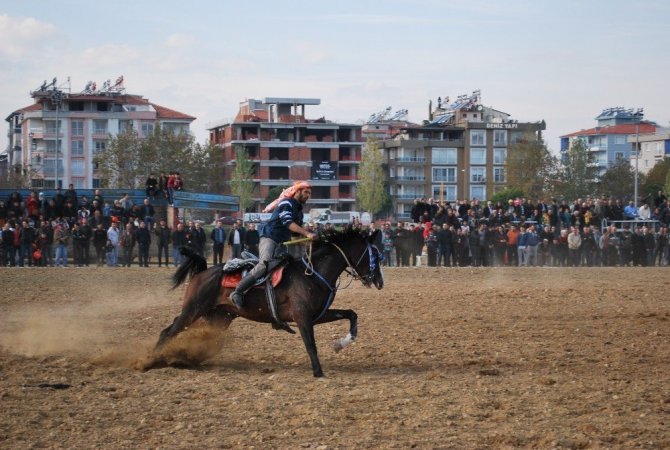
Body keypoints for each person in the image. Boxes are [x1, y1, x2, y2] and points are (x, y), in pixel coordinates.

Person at [229, 181, 316, 308]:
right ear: (297, 191)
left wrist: (308, 240)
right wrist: (307, 233)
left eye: (309, 193)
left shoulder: (299, 211)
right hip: (269, 238)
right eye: (306, 192)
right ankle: (238, 291)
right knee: (264, 264)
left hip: (282, 242)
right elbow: (288, 223)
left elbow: (295, 234)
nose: (308, 195)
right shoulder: (286, 203)